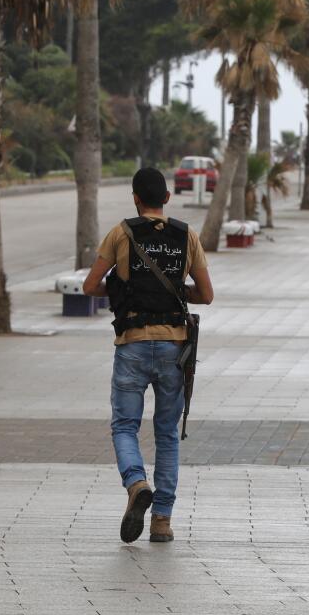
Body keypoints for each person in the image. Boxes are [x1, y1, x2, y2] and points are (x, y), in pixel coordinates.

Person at [82, 168, 213, 544]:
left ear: (135, 197)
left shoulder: (122, 233)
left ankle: (136, 483)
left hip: (133, 343)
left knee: (125, 426)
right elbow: (206, 293)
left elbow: (91, 285)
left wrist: (125, 287)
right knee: (167, 433)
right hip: (175, 345)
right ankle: (162, 522)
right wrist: (173, 290)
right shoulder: (185, 234)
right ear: (167, 198)